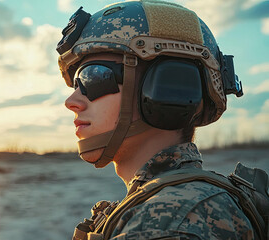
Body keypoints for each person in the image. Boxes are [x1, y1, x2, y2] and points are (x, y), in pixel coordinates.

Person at [56, 0, 261, 239]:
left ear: (167, 86)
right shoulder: (171, 202)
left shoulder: (170, 221)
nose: (72, 101)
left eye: (92, 77)